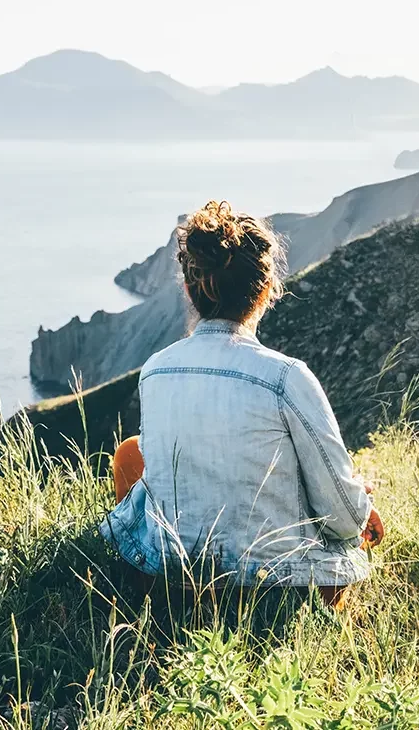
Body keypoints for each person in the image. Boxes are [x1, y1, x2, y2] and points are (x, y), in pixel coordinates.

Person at [100, 201, 384, 609]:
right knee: (343, 494)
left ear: (189, 287)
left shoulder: (155, 371)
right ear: (267, 291)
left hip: (170, 584)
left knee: (130, 452)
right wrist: (361, 502)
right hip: (278, 593)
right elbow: (341, 518)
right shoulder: (288, 377)